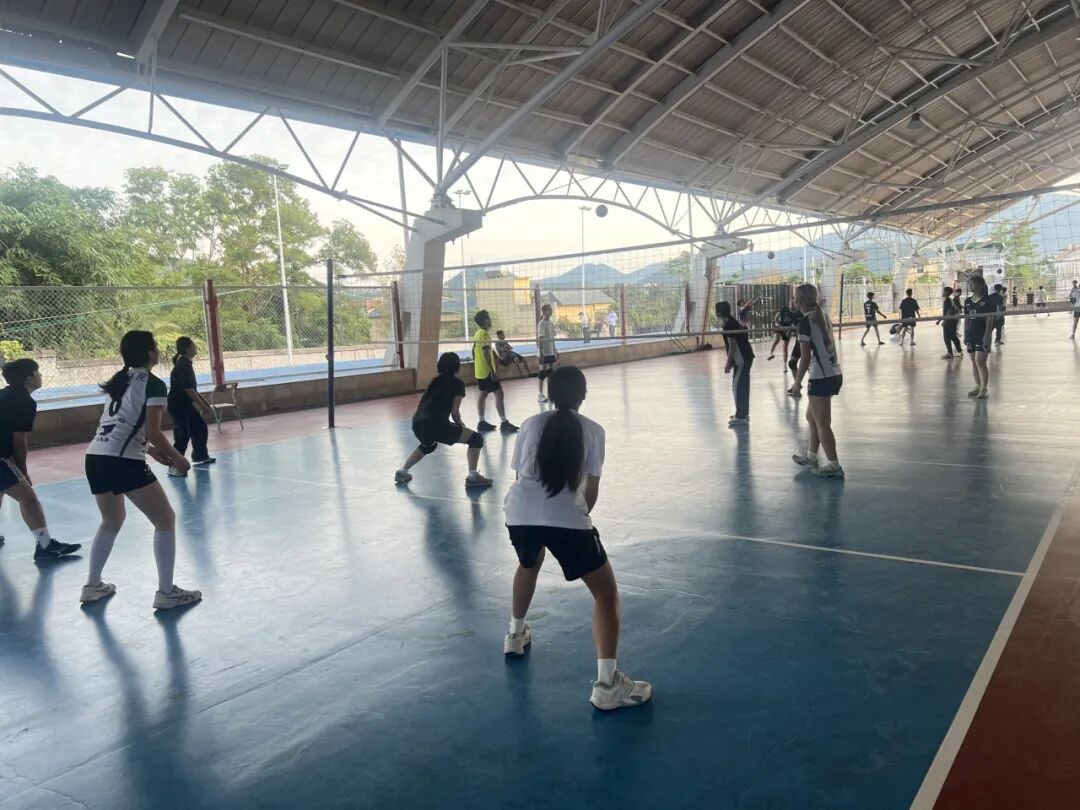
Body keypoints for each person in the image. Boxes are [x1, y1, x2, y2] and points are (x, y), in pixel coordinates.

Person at [502, 366, 651, 711]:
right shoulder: (593, 431)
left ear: (550, 393)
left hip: (518, 515)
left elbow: (520, 474)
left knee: (528, 563)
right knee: (605, 593)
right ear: (583, 394)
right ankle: (608, 686)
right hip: (567, 519)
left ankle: (514, 634)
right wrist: (577, 521)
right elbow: (591, 490)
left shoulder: (530, 424)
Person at [80, 330, 201, 610]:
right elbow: (153, 431)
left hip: (96, 456)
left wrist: (148, 450)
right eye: (155, 346)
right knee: (165, 519)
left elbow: (120, 425)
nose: (159, 350)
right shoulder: (153, 384)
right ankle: (167, 592)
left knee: (111, 520)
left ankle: (92, 586)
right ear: (149, 353)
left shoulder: (119, 380)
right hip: (122, 461)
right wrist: (178, 458)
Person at [0, 359, 80, 561]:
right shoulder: (24, 402)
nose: (41, 375)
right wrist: (23, 471)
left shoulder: (4, 395)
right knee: (27, 496)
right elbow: (19, 441)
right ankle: (45, 546)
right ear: (29, 378)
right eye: (37, 371)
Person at [395, 352, 492, 488]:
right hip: (436, 424)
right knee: (476, 439)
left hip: (417, 423)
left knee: (428, 445)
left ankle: (402, 471)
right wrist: (461, 426)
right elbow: (454, 412)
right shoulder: (457, 384)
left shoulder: (434, 381)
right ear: (457, 367)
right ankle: (473, 477)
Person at [789, 285, 844, 478]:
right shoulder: (823, 317)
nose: (793, 300)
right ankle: (811, 457)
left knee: (822, 424)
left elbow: (804, 358)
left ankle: (834, 466)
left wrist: (796, 384)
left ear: (799, 301)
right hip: (833, 374)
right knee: (811, 418)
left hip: (821, 377)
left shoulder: (806, 322)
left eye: (794, 297)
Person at [167, 337, 216, 477]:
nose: (195, 347)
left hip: (186, 405)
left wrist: (206, 404)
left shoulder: (186, 363)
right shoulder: (183, 365)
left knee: (200, 427)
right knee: (182, 435)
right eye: (193, 345)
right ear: (187, 348)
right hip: (177, 406)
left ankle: (200, 455)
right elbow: (189, 390)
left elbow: (193, 389)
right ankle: (174, 465)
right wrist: (203, 407)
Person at [472, 310, 518, 435]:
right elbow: (485, 353)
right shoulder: (484, 334)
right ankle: (504, 423)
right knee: (499, 393)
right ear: (486, 320)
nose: (490, 320)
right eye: (489, 318)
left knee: (483, 394)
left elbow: (476, 351)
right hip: (486, 371)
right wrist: (492, 371)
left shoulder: (477, 333)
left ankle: (481, 422)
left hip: (480, 370)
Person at [716, 301, 754, 427]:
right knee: (740, 385)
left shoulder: (729, 324)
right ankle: (743, 413)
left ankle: (741, 416)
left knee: (738, 386)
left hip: (742, 359)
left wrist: (728, 363)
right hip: (743, 358)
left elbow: (732, 346)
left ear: (719, 312)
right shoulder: (730, 322)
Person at [964, 277, 994, 399]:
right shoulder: (967, 301)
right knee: (973, 361)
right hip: (971, 334)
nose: (970, 286)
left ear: (980, 285)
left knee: (980, 361)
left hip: (982, 334)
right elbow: (966, 319)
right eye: (969, 284)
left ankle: (984, 388)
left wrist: (987, 336)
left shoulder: (988, 300)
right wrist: (965, 335)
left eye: (972, 284)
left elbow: (990, 319)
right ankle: (978, 385)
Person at [536, 304, 558, 403]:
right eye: (549, 310)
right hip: (544, 352)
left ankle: (550, 393)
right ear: (544, 311)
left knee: (550, 373)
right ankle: (540, 394)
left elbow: (552, 339)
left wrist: (555, 351)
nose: (551, 311)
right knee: (542, 372)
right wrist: (541, 353)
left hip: (550, 352)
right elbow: (540, 339)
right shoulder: (541, 324)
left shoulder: (551, 323)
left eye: (551, 310)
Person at [936, 287, 963, 359]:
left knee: (947, 337)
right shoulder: (949, 300)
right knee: (953, 336)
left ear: (946, 292)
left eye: (943, 291)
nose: (942, 292)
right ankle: (959, 351)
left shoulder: (947, 300)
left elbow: (949, 312)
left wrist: (944, 321)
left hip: (949, 321)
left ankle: (950, 353)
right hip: (952, 321)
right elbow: (945, 313)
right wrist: (939, 320)